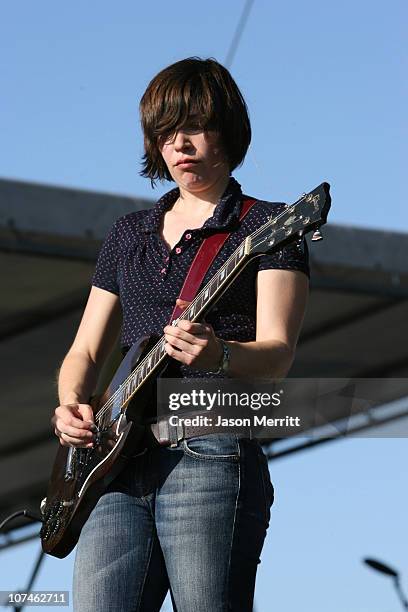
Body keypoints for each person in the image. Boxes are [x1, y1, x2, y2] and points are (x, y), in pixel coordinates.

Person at [51, 57, 309, 612]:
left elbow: (277, 356)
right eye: (166, 134)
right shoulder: (129, 234)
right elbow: (85, 350)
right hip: (112, 467)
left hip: (210, 451)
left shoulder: (268, 225)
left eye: (194, 128)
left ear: (228, 132)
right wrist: (70, 403)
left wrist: (218, 355)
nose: (180, 145)